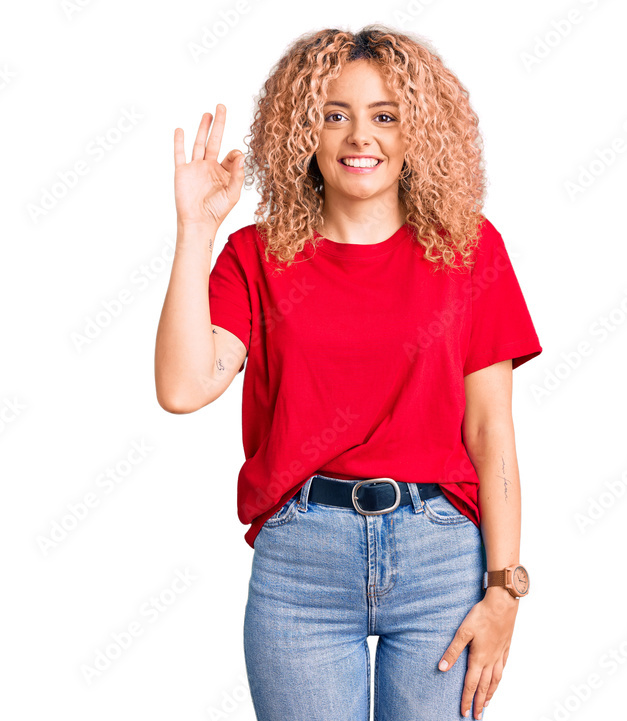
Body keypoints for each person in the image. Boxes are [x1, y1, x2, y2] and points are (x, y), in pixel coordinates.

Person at [154, 24, 542, 721]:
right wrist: (194, 231)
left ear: (418, 131)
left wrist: (504, 589)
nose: (360, 136)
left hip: (441, 561)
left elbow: (491, 432)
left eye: (384, 116)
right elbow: (184, 387)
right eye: (335, 115)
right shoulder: (255, 256)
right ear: (303, 131)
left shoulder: (469, 250)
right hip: (302, 565)